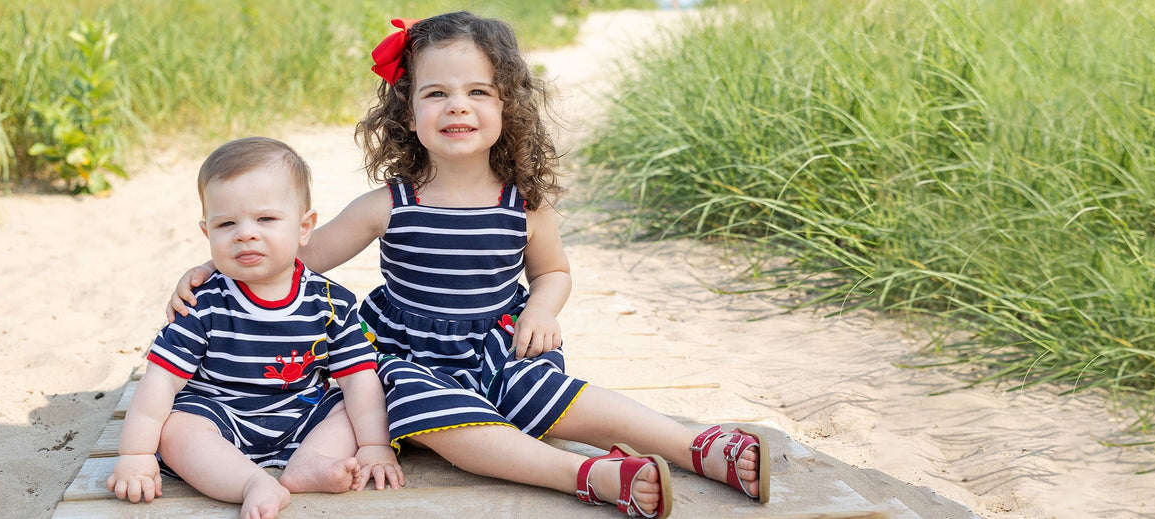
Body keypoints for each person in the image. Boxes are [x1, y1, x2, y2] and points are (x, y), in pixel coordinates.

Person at [168, 12, 768, 518]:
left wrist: (542, 307)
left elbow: (553, 271)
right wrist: (210, 269)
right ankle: (586, 474)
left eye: (478, 91)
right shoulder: (390, 204)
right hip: (406, 354)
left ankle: (697, 446)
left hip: (498, 344)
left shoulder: (523, 205)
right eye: (436, 93)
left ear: (508, 107)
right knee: (429, 415)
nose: (458, 106)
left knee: (551, 392)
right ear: (407, 112)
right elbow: (301, 257)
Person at [115, 137, 404, 519]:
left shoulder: (331, 302)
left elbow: (357, 378)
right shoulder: (204, 302)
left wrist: (374, 445)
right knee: (176, 430)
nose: (245, 233)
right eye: (227, 223)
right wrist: (135, 455)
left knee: (352, 408)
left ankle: (309, 462)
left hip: (301, 413)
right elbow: (160, 381)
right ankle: (250, 481)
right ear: (208, 234)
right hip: (220, 416)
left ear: (304, 227)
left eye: (266, 219)